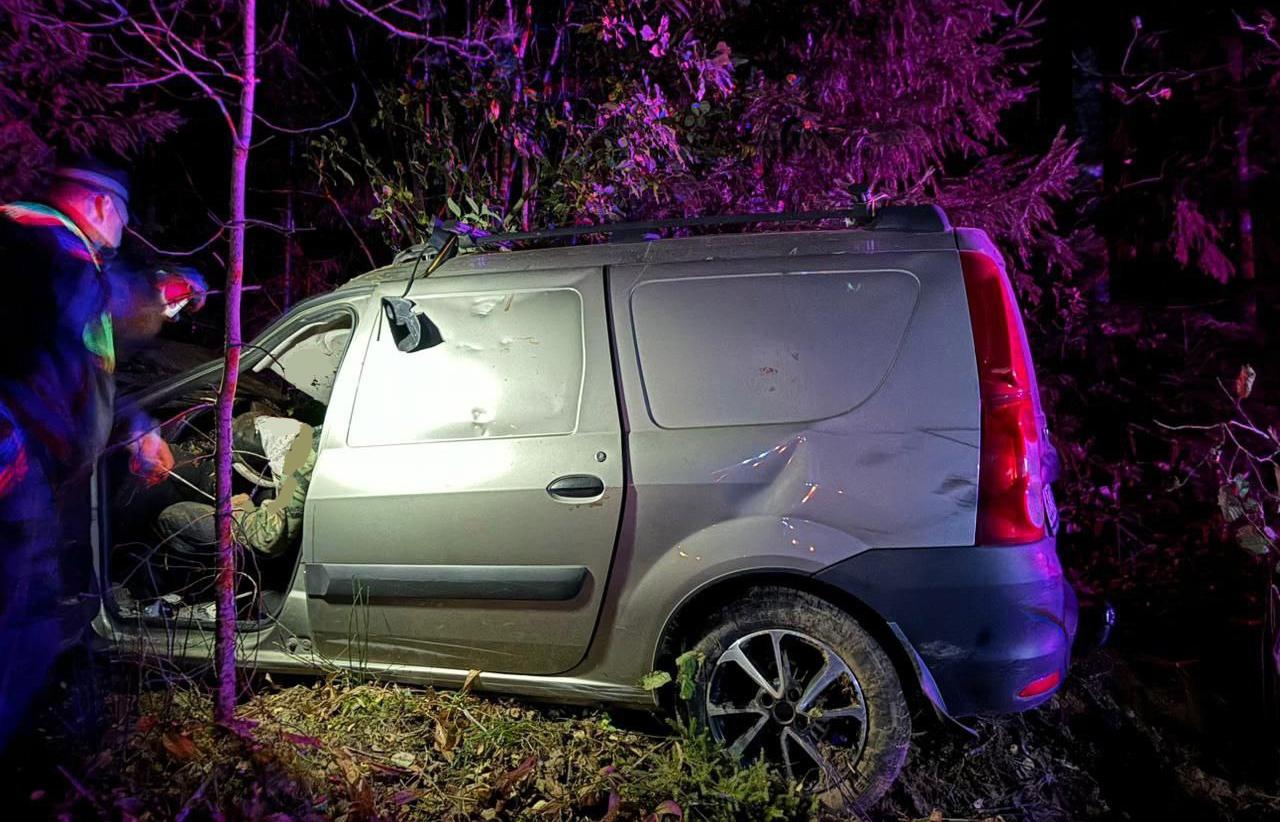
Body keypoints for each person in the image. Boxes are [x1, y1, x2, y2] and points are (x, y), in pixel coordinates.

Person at [0, 158, 204, 749]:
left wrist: (133, 426)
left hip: (27, 466)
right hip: (15, 469)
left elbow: (75, 372)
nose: (123, 228)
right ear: (100, 207)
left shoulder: (43, 250)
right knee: (27, 618)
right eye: (122, 214)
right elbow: (109, 315)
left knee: (27, 611)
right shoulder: (48, 251)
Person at [156, 413, 318, 559]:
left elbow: (268, 539)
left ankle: (202, 567)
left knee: (171, 517)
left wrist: (240, 509)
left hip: (291, 544)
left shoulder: (299, 465)